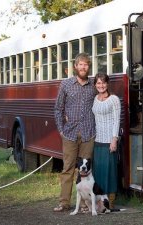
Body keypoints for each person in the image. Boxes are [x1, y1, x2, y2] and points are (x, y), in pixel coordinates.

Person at [53, 52, 97, 212]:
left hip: (88, 134)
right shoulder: (66, 84)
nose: (83, 67)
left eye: (86, 64)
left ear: (88, 67)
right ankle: (64, 202)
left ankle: (85, 204)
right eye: (81, 64)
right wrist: (61, 130)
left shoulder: (93, 85)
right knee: (68, 168)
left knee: (86, 170)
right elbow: (58, 108)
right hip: (70, 134)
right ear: (75, 66)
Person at [92, 73, 121, 209]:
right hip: (97, 141)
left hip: (109, 141)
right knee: (99, 172)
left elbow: (117, 120)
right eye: (98, 83)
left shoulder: (114, 99)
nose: (101, 86)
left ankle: (110, 201)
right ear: (95, 85)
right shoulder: (95, 99)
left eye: (103, 83)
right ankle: (100, 202)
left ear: (107, 84)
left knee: (110, 172)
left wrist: (114, 139)